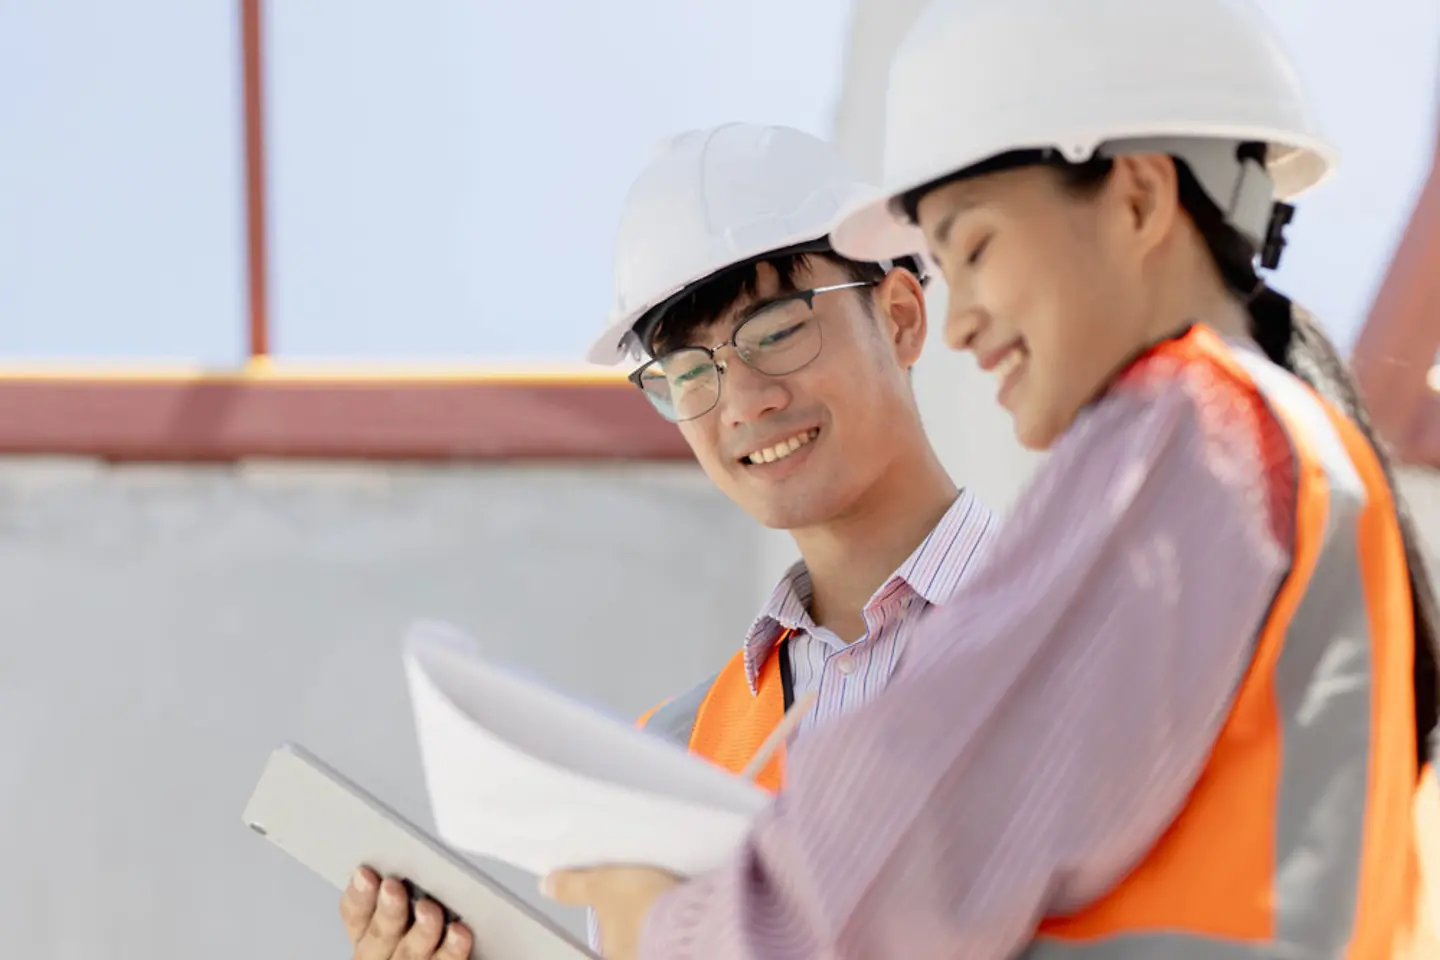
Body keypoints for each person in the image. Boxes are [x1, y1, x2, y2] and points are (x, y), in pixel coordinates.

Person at [540, 0, 1440, 957]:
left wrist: (664, 922)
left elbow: (888, 887)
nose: (960, 319)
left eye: (970, 248)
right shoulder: (1281, 445)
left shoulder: (1188, 431)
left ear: (1136, 199)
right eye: (686, 373)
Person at [335, 122, 999, 960]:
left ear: (900, 317)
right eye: (688, 370)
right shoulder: (667, 754)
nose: (743, 400)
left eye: (777, 328)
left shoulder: (1088, 617)